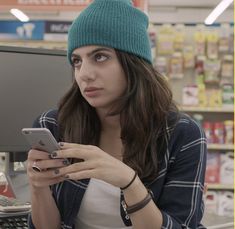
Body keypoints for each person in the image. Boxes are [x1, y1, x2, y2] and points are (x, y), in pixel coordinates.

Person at [27, 0, 207, 228]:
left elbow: (182, 225)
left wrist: (130, 183)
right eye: (77, 61)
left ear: (134, 62)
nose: (84, 74)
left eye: (100, 57)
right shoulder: (54, 125)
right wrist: (38, 186)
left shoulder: (182, 134)